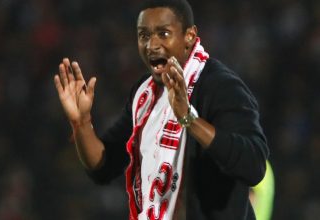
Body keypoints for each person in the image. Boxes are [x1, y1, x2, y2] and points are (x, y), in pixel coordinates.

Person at [54, 0, 269, 219]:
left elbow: (253, 165)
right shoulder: (143, 95)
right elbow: (104, 167)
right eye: (144, 35)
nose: (152, 45)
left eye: (163, 34)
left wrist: (189, 119)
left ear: (189, 37)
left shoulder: (220, 86)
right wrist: (81, 123)